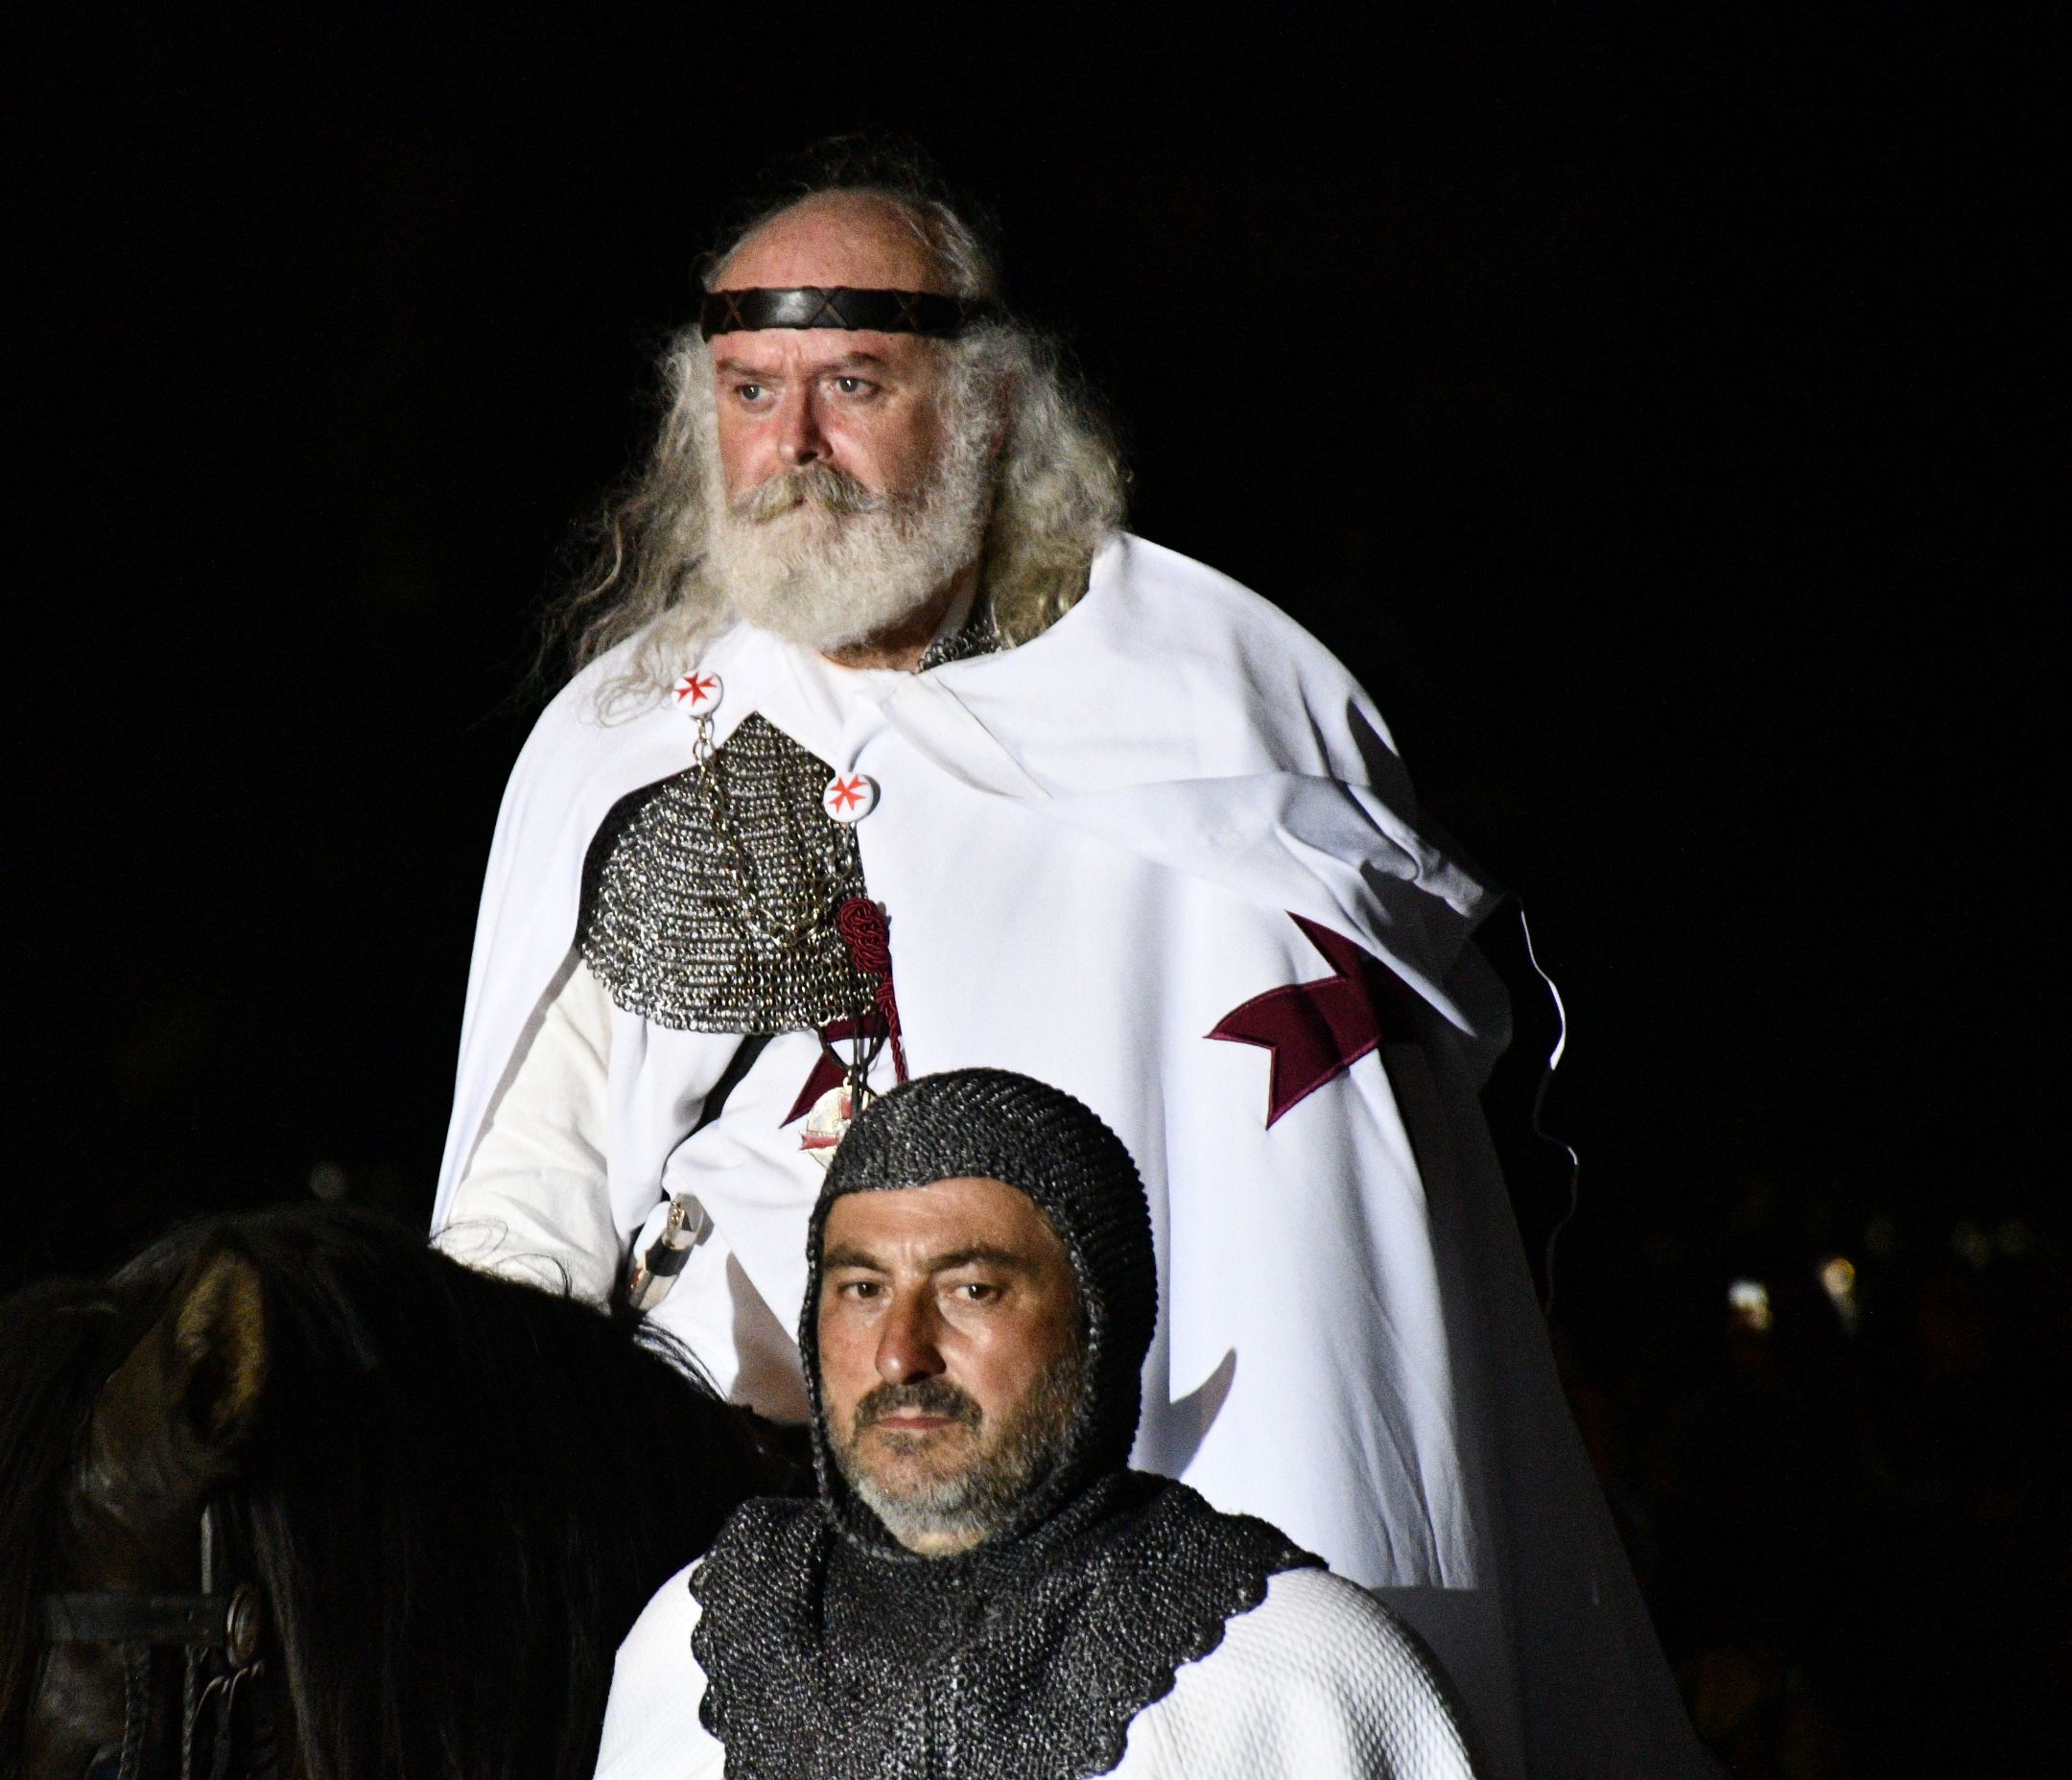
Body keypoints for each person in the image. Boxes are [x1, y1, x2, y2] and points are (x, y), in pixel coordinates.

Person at [432, 151, 1705, 1773]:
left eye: (855, 384)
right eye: (751, 391)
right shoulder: (623, 748)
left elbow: (1304, 1195)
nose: (794, 448)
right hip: (712, 1504)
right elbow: (524, 1210)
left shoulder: (1204, 716)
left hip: (1119, 1506)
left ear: (983, 406)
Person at [595, 1068, 1481, 1779]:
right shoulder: (686, 1649)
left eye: (971, 1289)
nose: (901, 1354)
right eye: (861, 1289)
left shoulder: (1304, 1679)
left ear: (1100, 1324)